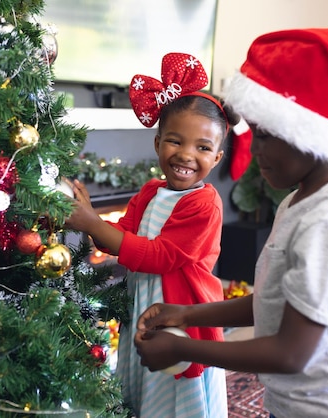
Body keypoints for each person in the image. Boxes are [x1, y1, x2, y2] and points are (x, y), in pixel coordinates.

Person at [134, 28, 328, 418]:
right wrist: (184, 314)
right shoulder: (300, 199)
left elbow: (290, 353)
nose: (254, 150)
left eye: (266, 135)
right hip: (295, 405)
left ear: (307, 131)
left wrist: (182, 347)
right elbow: (273, 302)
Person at [64, 52, 238, 417]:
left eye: (203, 148)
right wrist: (89, 218)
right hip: (142, 302)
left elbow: (160, 255)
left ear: (218, 157)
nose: (186, 155)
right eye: (175, 142)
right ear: (158, 144)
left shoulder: (204, 204)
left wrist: (93, 223)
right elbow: (121, 235)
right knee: (142, 379)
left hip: (180, 312)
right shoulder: (149, 192)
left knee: (174, 384)